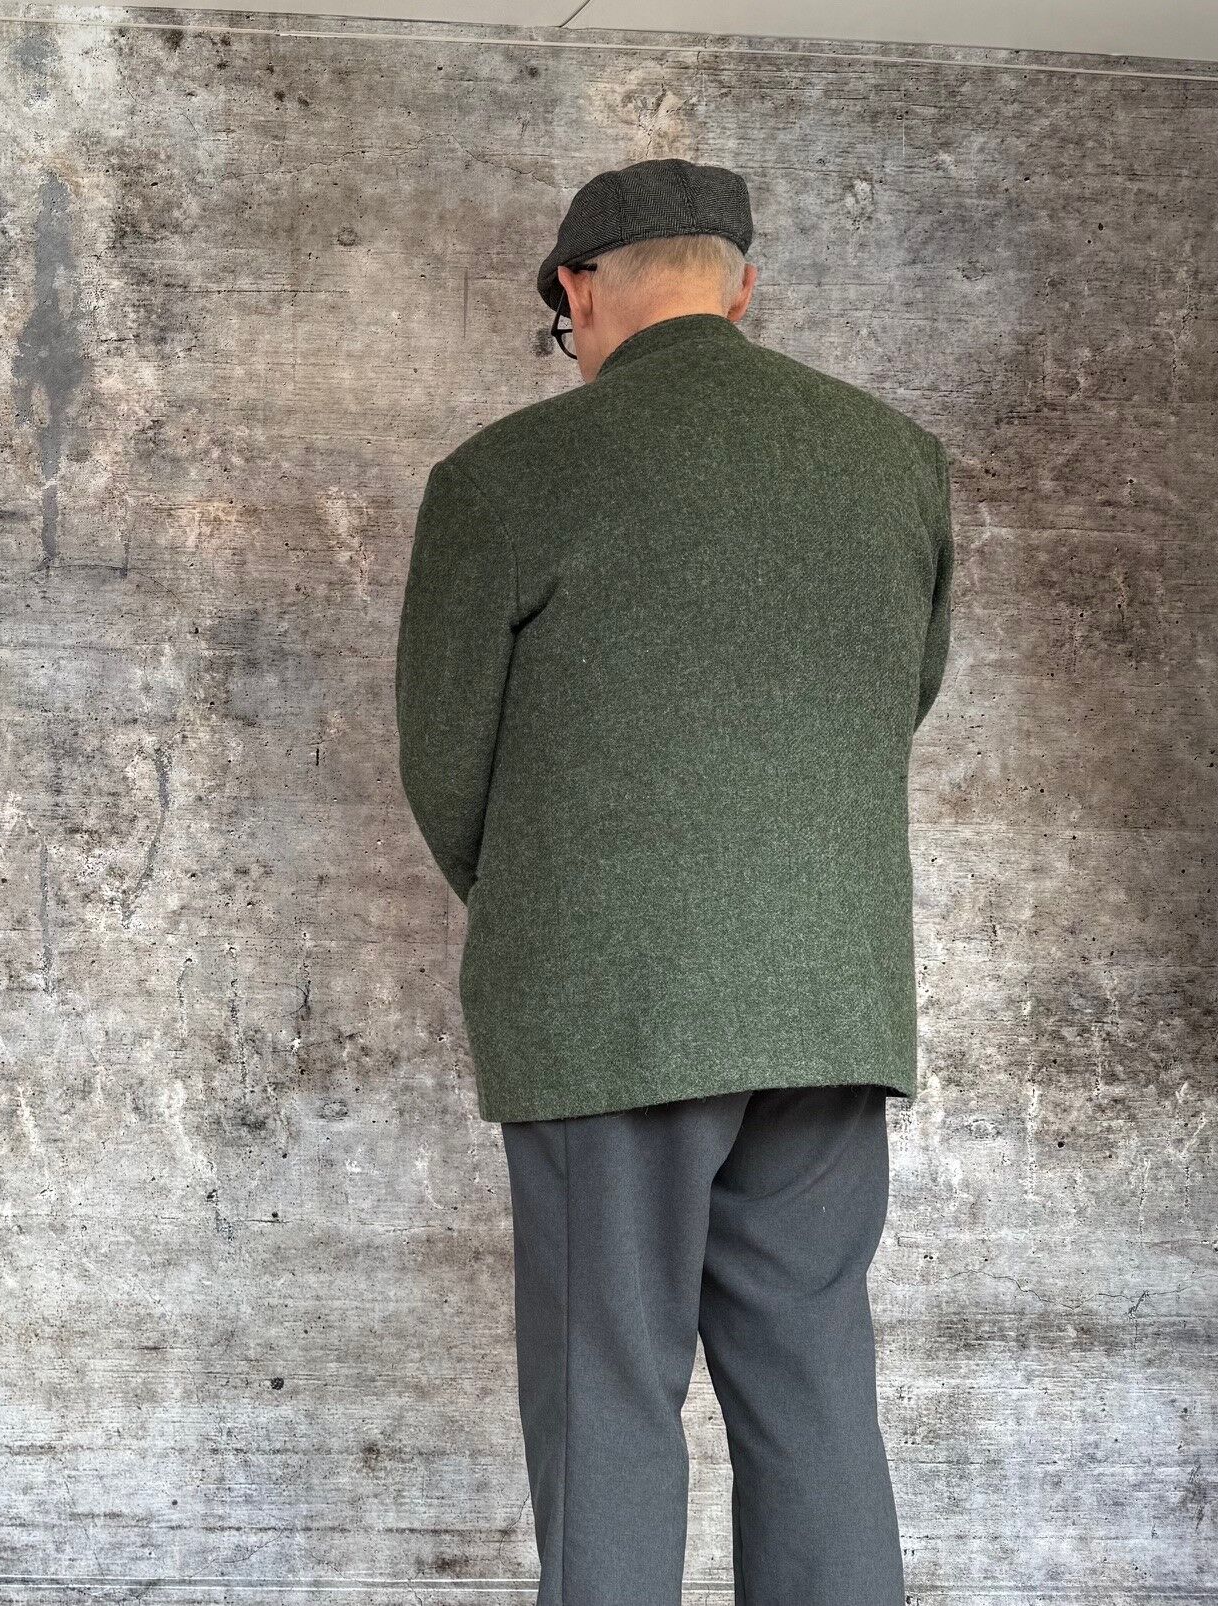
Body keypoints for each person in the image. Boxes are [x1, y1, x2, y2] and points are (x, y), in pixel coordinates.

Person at [395, 158, 952, 1605]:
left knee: (608, 1398)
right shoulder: (893, 460)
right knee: (814, 1388)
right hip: (826, 1002)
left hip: (608, 1014)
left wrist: (568, 906)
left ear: (579, 293)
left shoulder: (504, 478)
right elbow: (899, 698)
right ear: (741, 287)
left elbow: (446, 767)